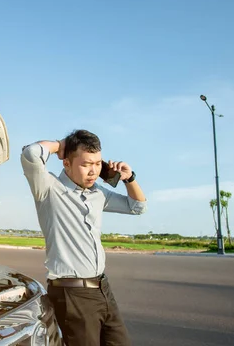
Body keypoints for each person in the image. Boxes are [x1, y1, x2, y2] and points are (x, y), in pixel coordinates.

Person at [20, 129, 147, 346]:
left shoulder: (98, 193)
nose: (94, 171)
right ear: (66, 163)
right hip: (72, 293)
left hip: (102, 289)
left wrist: (129, 179)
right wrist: (62, 144)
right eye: (86, 164)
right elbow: (31, 153)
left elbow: (137, 207)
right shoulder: (49, 188)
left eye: (98, 164)